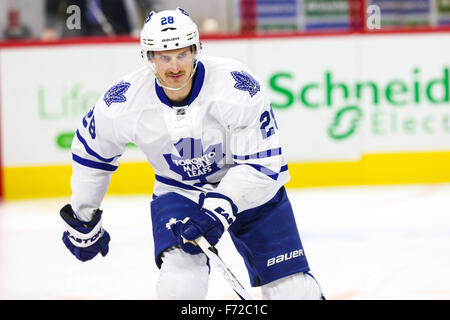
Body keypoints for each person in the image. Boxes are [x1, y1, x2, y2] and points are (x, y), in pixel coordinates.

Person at [60, 7, 324, 300]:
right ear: (149, 58)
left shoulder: (237, 87)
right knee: (180, 285)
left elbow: (263, 164)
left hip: (250, 192)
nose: (174, 66)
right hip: (179, 192)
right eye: (164, 57)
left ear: (197, 50)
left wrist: (218, 209)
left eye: (182, 54)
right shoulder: (122, 102)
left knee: (294, 292)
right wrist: (84, 219)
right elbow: (90, 153)